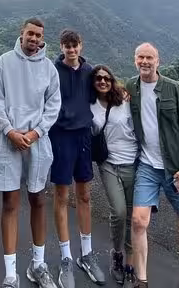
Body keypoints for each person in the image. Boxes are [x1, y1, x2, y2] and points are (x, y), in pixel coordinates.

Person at [123, 43, 179, 288]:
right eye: (140, 57)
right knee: (138, 221)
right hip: (146, 165)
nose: (144, 62)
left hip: (175, 168)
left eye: (149, 57)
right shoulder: (130, 87)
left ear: (158, 61)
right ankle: (141, 280)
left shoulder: (173, 88)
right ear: (135, 60)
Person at [0, 17, 62, 288]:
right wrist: (10, 131)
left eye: (38, 35)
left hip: (37, 142)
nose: (34, 39)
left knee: (38, 200)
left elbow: (53, 106)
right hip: (8, 140)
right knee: (9, 203)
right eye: (30, 34)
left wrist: (33, 134)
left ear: (43, 38)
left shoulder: (48, 69)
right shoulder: (4, 62)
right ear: (21, 34)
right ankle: (11, 274)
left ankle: (37, 265)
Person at [49, 29, 105, 287]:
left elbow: (99, 98)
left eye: (75, 45)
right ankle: (65, 258)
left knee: (84, 196)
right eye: (66, 46)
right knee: (62, 197)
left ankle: (86, 254)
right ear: (61, 47)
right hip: (60, 137)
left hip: (83, 137)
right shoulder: (52, 70)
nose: (71, 50)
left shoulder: (89, 71)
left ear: (81, 46)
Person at [89, 64, 139, 285]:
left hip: (132, 164)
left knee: (131, 217)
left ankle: (130, 263)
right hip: (108, 164)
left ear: (112, 81)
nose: (102, 81)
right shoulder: (90, 105)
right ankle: (116, 254)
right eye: (98, 78)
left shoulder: (125, 102)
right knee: (118, 212)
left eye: (107, 78)